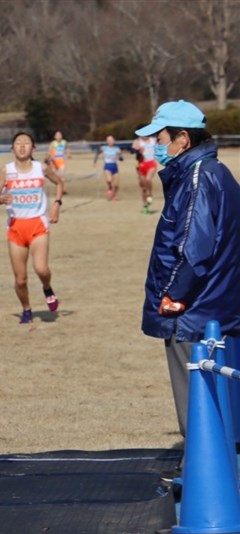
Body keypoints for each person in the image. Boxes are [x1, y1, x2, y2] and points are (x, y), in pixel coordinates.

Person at [135, 100, 240, 441]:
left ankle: (199, 476)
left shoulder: (199, 177)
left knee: (198, 402)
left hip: (195, 313)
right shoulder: (212, 173)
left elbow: (193, 250)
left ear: (183, 138)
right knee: (221, 402)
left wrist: (173, 297)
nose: (156, 145)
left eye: (160, 137)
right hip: (216, 307)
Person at [0, 132, 64, 324]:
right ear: (12, 148)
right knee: (20, 279)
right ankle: (26, 309)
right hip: (16, 227)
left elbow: (59, 183)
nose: (22, 146)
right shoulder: (6, 171)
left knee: (41, 268)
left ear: (33, 148)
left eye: (26, 143)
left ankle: (47, 287)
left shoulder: (42, 168)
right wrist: (1, 199)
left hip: (37, 224)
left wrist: (57, 204)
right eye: (18, 143)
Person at [132, 134, 157, 214]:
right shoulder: (137, 141)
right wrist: (137, 149)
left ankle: (150, 194)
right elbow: (133, 152)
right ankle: (145, 205)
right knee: (143, 188)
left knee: (148, 179)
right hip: (141, 164)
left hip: (151, 163)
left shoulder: (153, 140)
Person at [93, 135, 123, 201]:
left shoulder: (117, 149)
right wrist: (95, 162)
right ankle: (110, 188)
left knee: (116, 185)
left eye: (111, 140)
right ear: (107, 141)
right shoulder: (104, 148)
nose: (110, 141)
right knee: (109, 180)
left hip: (115, 167)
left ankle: (113, 196)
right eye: (108, 140)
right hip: (107, 166)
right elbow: (97, 153)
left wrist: (119, 157)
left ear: (114, 141)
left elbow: (121, 158)